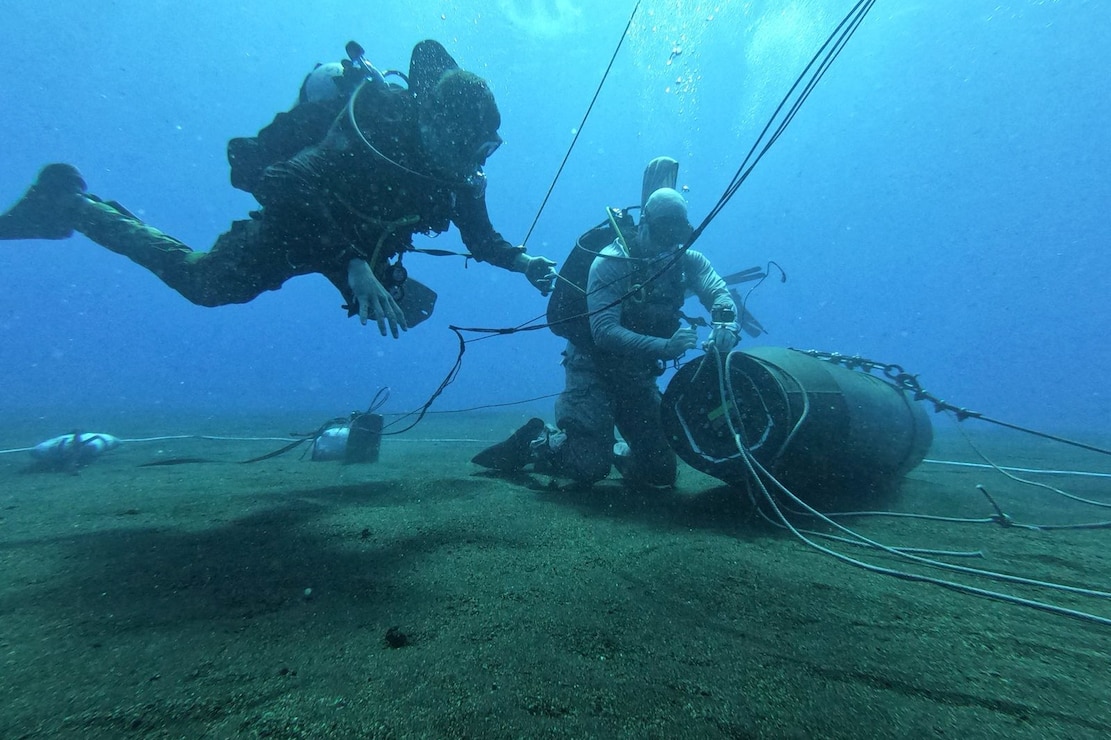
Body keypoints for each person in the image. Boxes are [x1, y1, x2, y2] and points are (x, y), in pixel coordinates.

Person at [0, 40, 556, 337]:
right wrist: (350, 262)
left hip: (361, 249)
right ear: (432, 123)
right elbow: (283, 178)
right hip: (300, 226)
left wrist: (523, 260)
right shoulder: (376, 129)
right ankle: (72, 203)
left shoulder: (457, 175)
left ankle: (359, 271)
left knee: (410, 311)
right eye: (470, 147)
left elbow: (481, 240)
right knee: (207, 285)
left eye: (487, 151)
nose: (475, 163)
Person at [472, 157, 739, 488]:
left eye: (678, 233)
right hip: (592, 368)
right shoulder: (611, 262)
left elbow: (718, 293)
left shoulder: (686, 260)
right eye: (662, 232)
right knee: (588, 468)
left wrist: (725, 324)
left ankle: (612, 448)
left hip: (637, 375)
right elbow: (604, 332)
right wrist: (664, 347)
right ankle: (539, 441)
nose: (668, 243)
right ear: (644, 225)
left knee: (659, 473)